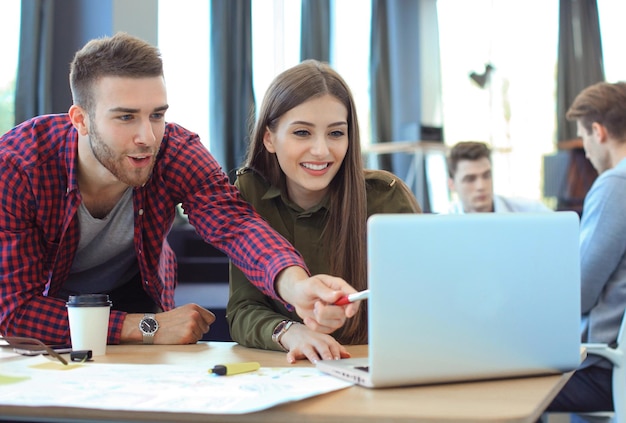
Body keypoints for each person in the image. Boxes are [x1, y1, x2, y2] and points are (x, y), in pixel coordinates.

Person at [0, 33, 360, 347]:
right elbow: (15, 309)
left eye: (156, 115)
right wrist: (147, 327)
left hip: (135, 299)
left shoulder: (174, 150)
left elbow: (235, 224)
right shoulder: (18, 167)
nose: (147, 137)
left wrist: (296, 287)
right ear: (81, 120)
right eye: (126, 117)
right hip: (52, 316)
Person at [226, 60, 422, 363]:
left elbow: (422, 306)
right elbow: (243, 310)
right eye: (302, 133)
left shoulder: (386, 199)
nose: (321, 150)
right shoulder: (248, 193)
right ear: (269, 138)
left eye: (335, 133)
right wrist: (291, 332)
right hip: (289, 374)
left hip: (377, 369)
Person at [545, 81, 626, 419]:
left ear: (598, 131)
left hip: (604, 368)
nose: (586, 150)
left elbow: (578, 293)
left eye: (583, 138)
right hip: (612, 364)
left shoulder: (614, 185)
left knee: (508, 384)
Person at [446, 141, 552, 213]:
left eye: (486, 176)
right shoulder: (440, 228)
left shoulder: (532, 212)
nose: (481, 186)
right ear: (452, 185)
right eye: (470, 179)